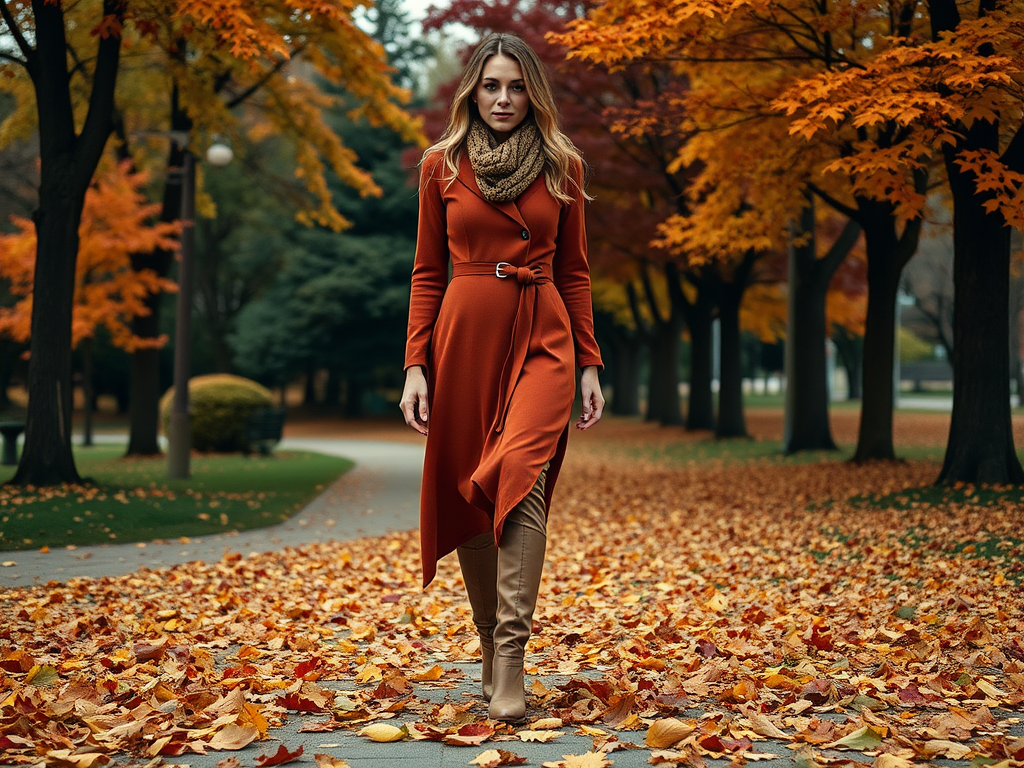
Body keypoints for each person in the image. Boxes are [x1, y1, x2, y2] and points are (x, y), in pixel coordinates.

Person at [400, 32, 604, 723]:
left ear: (532, 94)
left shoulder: (563, 165)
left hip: (544, 335)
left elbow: (574, 272)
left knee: (521, 478)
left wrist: (589, 363)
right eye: (492, 85)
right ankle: (487, 648)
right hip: (465, 338)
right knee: (472, 497)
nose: (504, 98)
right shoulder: (441, 167)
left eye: (516, 87)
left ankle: (512, 661)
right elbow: (428, 272)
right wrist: (415, 366)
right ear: (472, 92)